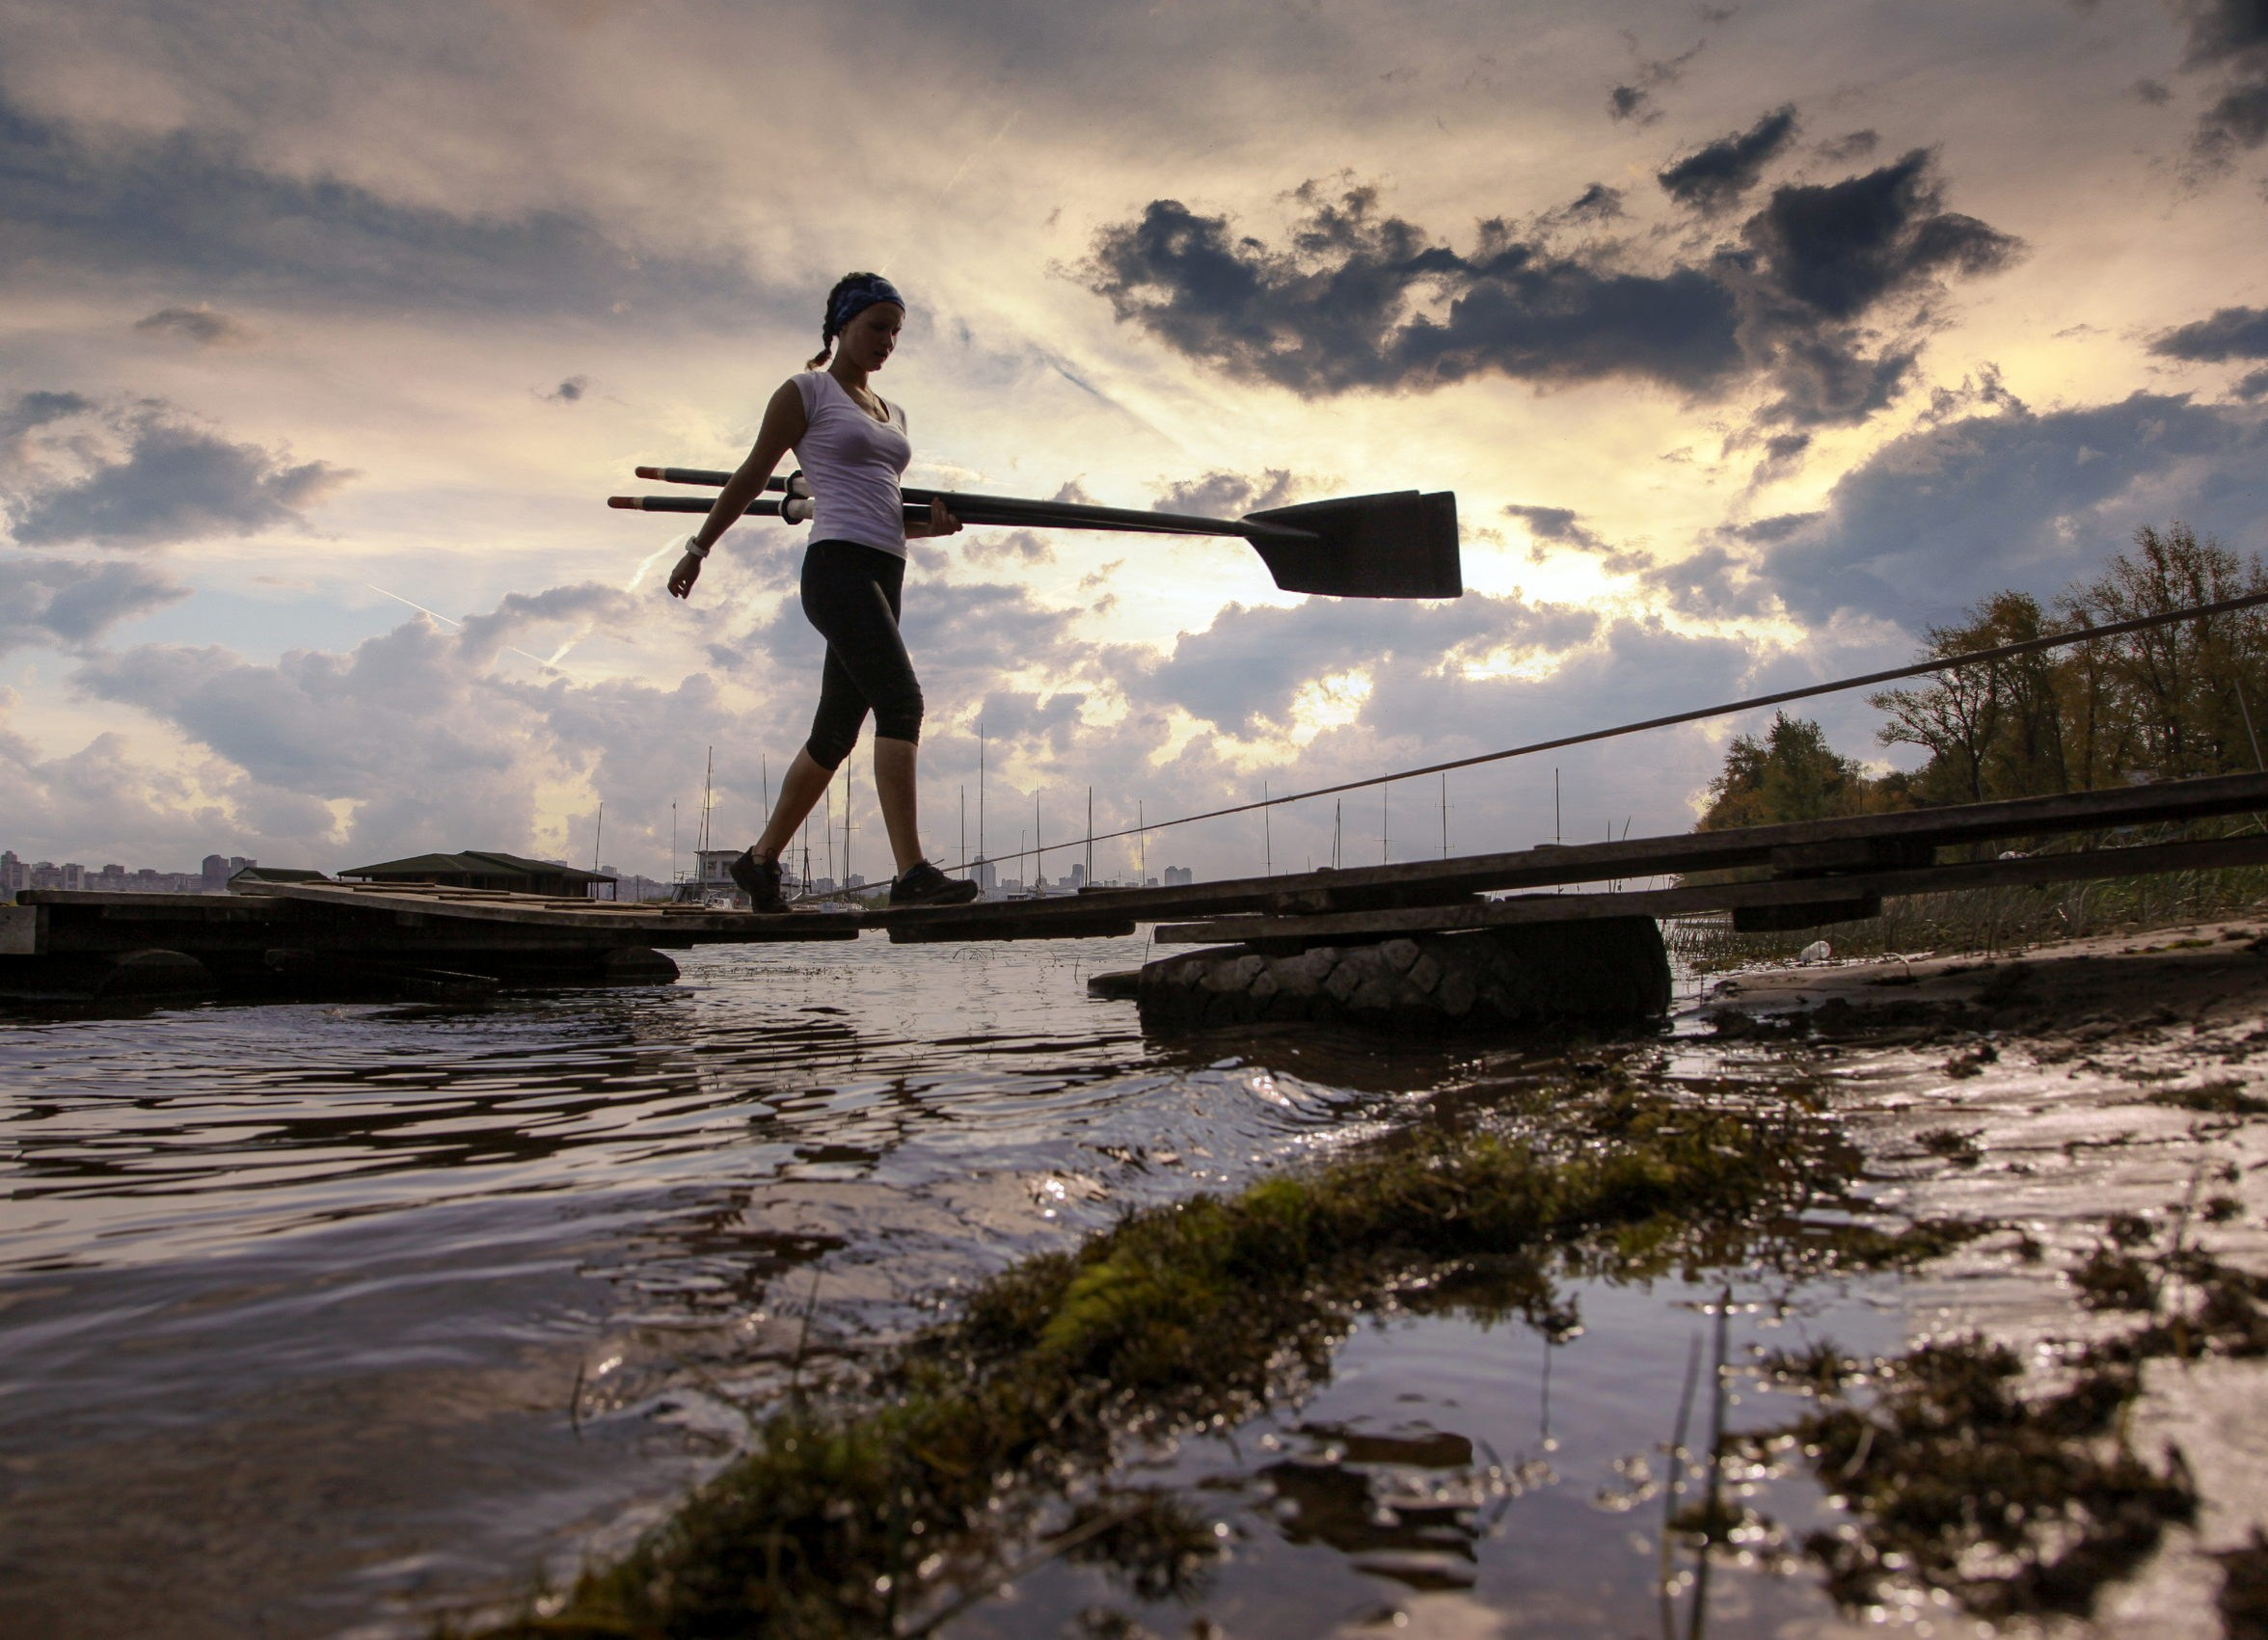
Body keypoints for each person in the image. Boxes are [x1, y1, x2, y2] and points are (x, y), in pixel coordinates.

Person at [667, 272, 981, 912]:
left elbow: (885, 512)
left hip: (885, 571)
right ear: (841, 326)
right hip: (835, 571)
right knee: (902, 702)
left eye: (895, 332)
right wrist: (698, 549)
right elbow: (752, 475)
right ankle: (911, 874)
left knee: (835, 732)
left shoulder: (893, 413)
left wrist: (932, 526)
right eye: (876, 328)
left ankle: (759, 863)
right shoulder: (806, 391)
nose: (887, 341)